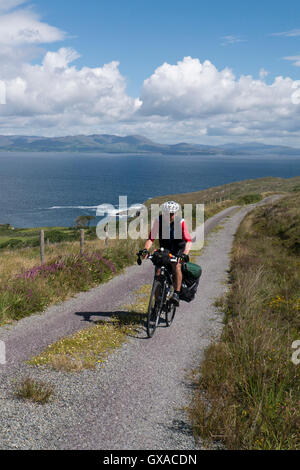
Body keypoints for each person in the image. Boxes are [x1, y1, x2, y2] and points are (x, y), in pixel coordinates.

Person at [143, 201, 192, 306]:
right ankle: (157, 303)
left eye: (172, 214)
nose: (170, 216)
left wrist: (185, 254)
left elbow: (188, 241)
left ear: (176, 213)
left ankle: (176, 294)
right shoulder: (158, 221)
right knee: (158, 272)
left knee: (177, 266)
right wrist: (145, 249)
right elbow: (151, 239)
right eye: (168, 214)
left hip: (178, 250)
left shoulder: (180, 222)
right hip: (165, 249)